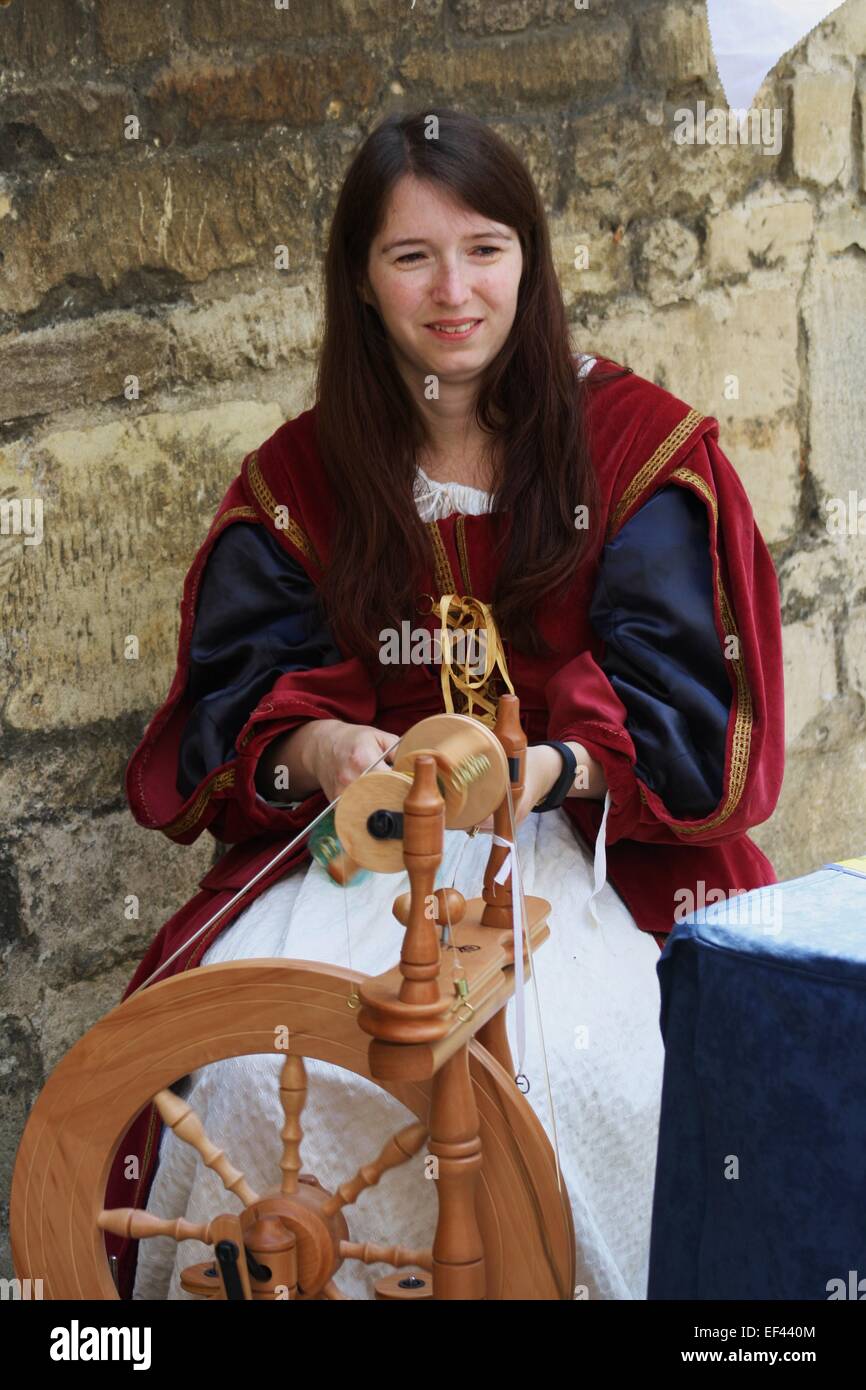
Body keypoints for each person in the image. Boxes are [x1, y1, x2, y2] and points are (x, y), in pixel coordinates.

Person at [106, 108, 785, 1301]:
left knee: (585, 1075)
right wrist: (317, 745)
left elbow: (682, 719)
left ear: (528, 257)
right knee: (248, 1078)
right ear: (361, 284)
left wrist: (545, 771)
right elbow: (238, 705)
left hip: (576, 846)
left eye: (483, 248)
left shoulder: (628, 451)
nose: (452, 290)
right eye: (409, 256)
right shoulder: (303, 476)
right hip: (362, 848)